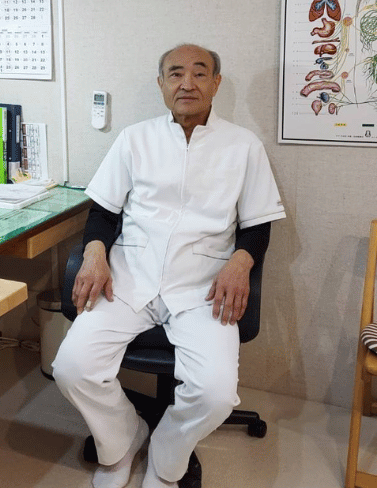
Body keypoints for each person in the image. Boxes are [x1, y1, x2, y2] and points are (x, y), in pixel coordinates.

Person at [52, 44, 285, 488]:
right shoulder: (134, 139)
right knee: (72, 368)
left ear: (216, 83)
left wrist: (241, 261)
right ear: (161, 84)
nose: (187, 83)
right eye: (175, 73)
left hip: (203, 286)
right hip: (128, 277)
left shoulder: (243, 146)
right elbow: (103, 212)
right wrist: (96, 253)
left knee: (216, 394)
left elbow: (258, 225)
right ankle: (122, 439)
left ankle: (167, 456)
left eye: (200, 73)